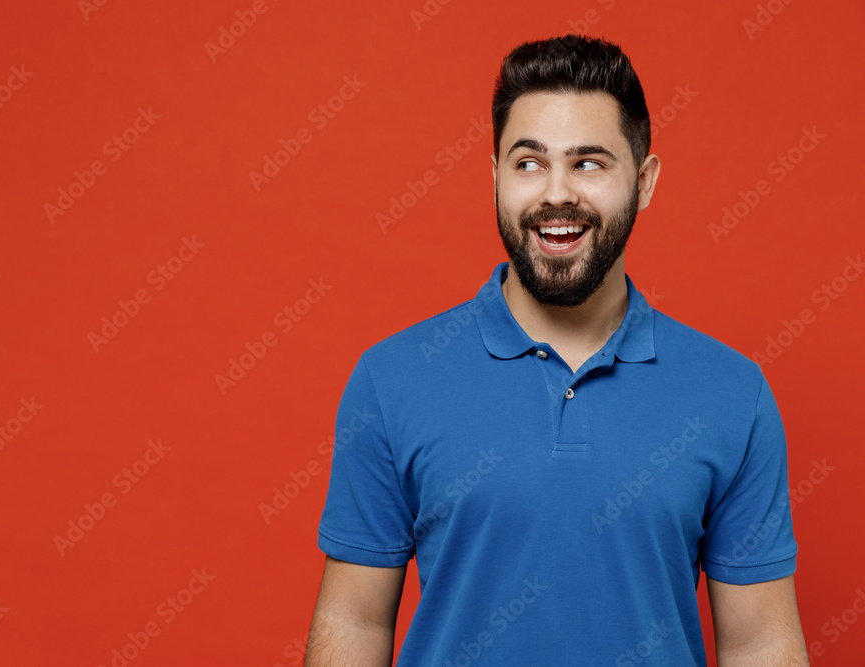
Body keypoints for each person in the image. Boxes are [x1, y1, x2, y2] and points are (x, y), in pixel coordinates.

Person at [305, 34, 808, 666]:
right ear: (494, 177)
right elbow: (352, 622)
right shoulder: (392, 379)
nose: (556, 194)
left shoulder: (733, 394)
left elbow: (761, 643)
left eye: (590, 163)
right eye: (528, 162)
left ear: (645, 181)